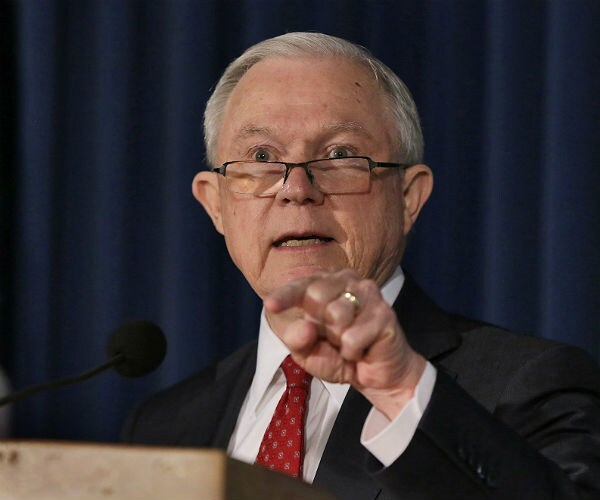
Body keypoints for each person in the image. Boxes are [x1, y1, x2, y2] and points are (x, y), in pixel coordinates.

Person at [122, 32, 600, 498]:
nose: (296, 189)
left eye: (341, 154)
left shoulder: (528, 383)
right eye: (262, 156)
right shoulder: (165, 425)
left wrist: (401, 391)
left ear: (409, 197)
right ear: (216, 205)